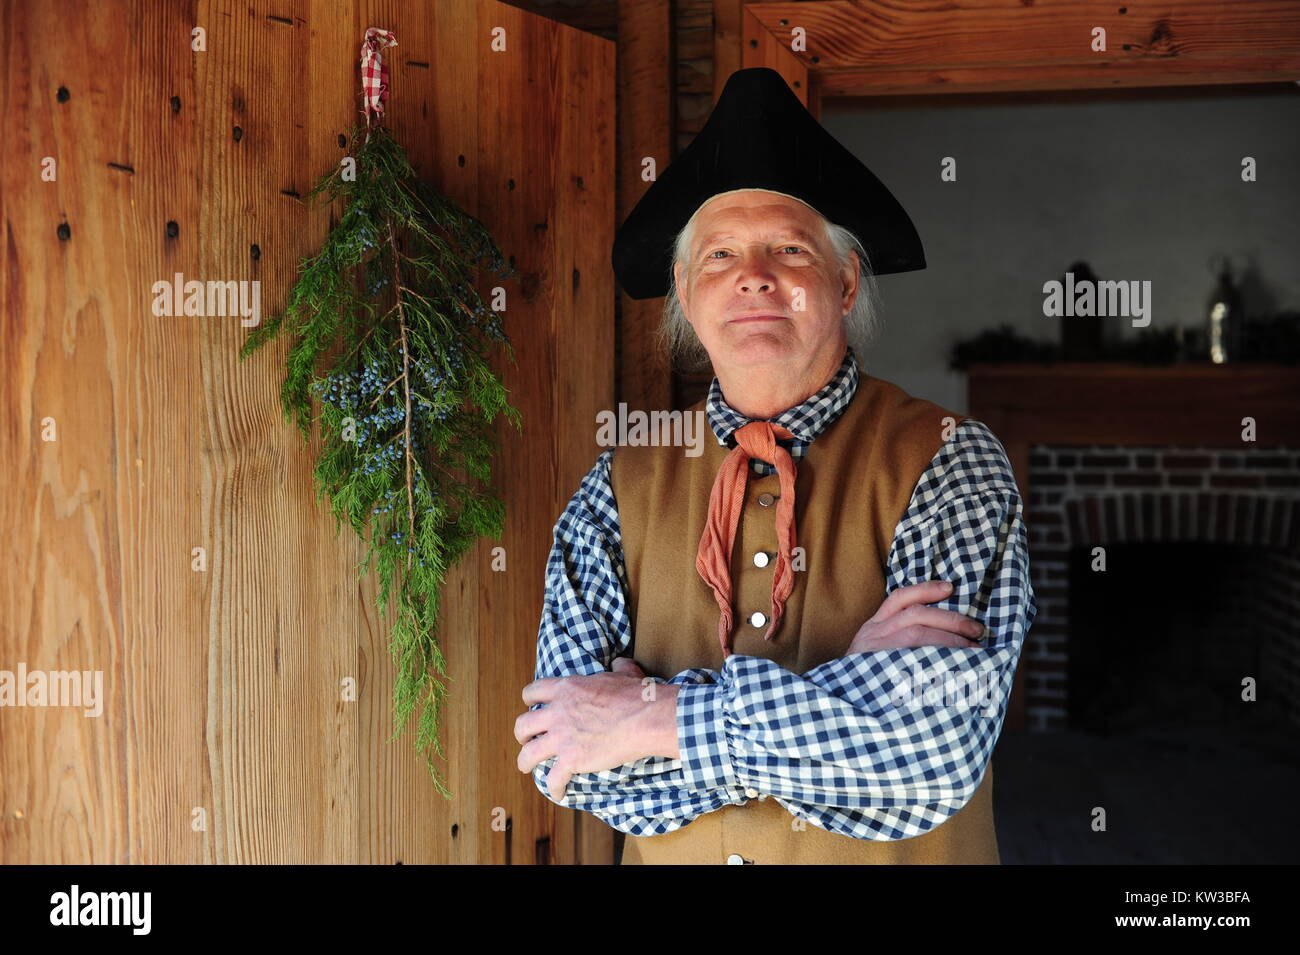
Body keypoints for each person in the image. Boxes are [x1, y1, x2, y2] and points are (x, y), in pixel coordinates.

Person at [513, 67, 1036, 865]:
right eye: (720, 253)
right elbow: (567, 754)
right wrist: (849, 699)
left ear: (845, 279)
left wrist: (651, 719)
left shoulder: (949, 461)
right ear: (686, 294)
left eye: (789, 247)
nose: (754, 274)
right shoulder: (615, 487)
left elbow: (929, 755)